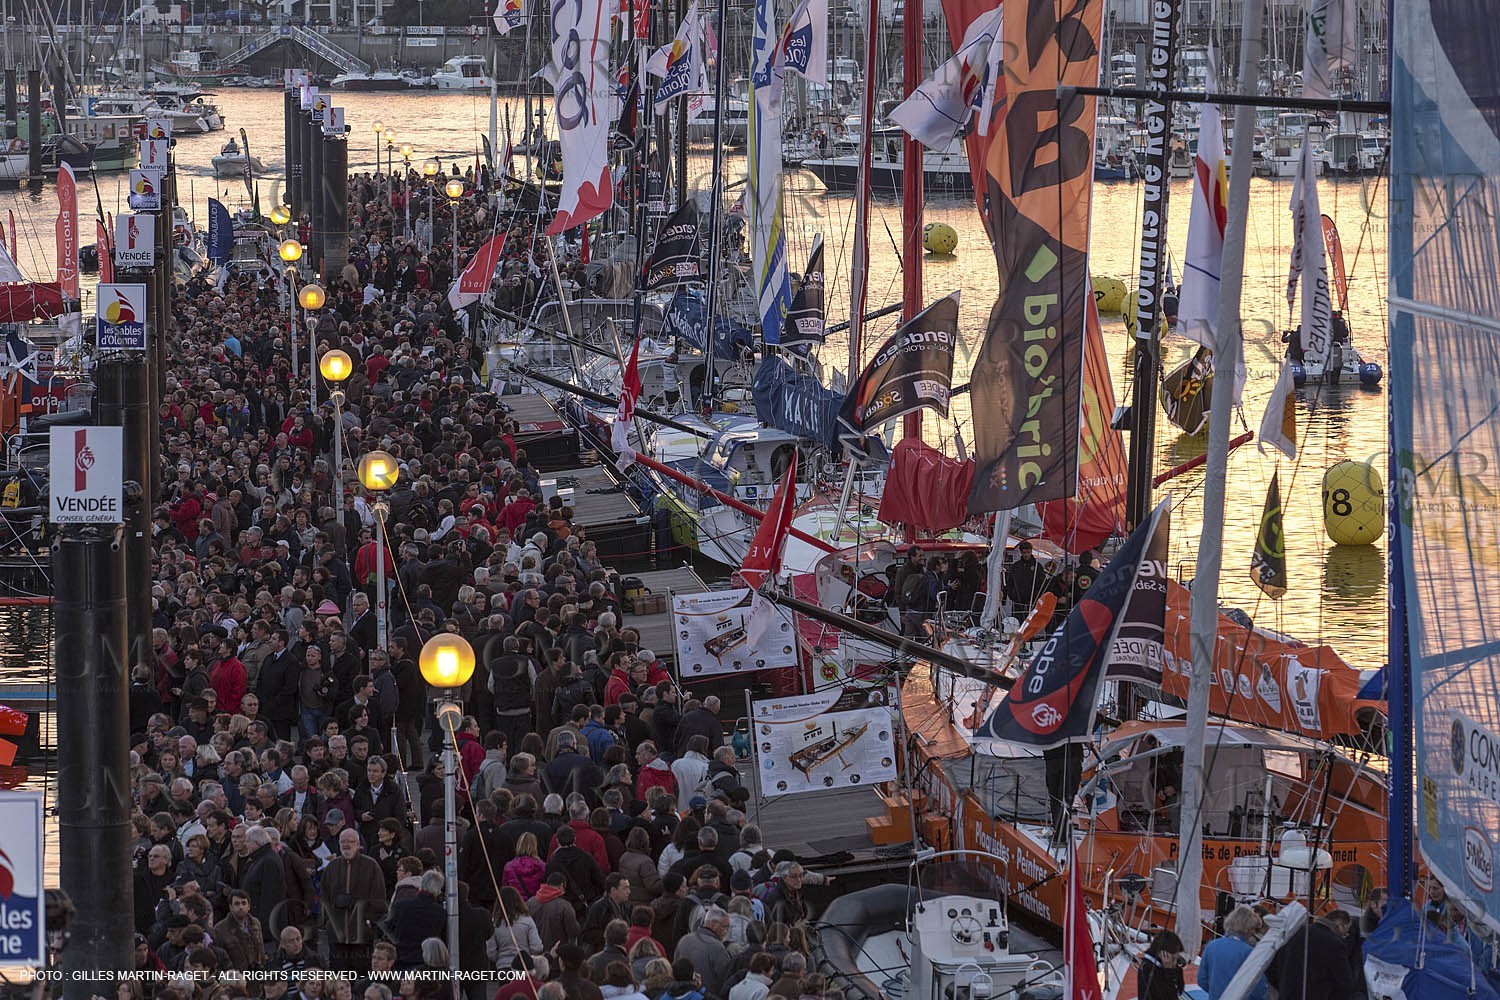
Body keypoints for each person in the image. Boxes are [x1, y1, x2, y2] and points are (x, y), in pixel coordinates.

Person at [1267, 910, 1357, 1000]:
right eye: (1346, 933)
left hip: (1288, 994)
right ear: (1340, 925)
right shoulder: (1335, 943)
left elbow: (1274, 964)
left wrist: (1282, 987)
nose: (1344, 935)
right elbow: (1344, 982)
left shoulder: (1296, 932)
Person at [1199, 905, 1266, 1000]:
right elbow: (1259, 988)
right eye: (1253, 929)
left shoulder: (1211, 946)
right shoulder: (1249, 952)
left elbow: (1202, 980)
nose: (1253, 933)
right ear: (1247, 928)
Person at [1136, 929, 1186, 1000]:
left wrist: (1174, 969)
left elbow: (1180, 990)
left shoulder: (1173, 965)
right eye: (1173, 958)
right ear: (1163, 954)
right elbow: (1170, 996)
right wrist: (1169, 972)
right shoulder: (1148, 970)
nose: (1175, 960)